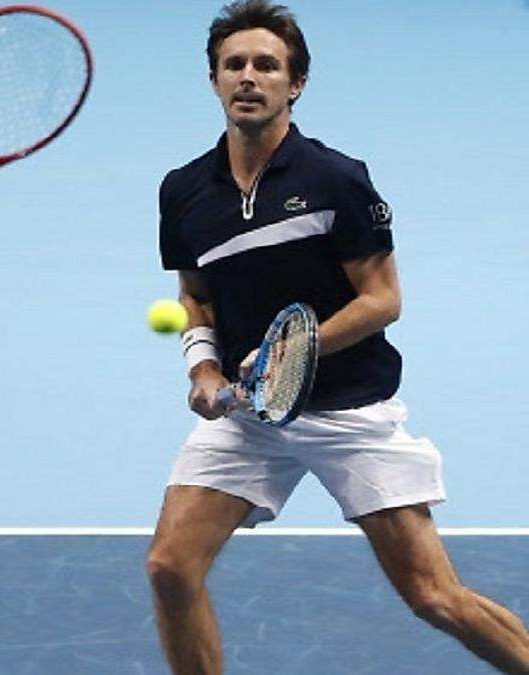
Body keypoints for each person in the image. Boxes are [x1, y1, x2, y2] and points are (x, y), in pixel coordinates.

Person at [146, 1, 529, 673]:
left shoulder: (336, 180)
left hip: (348, 411)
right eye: (233, 64)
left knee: (435, 597)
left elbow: (383, 300)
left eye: (267, 65)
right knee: (171, 568)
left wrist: (290, 352)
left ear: (294, 84)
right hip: (249, 414)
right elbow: (195, 295)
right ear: (213, 81)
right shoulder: (183, 192)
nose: (248, 77)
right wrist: (202, 368)